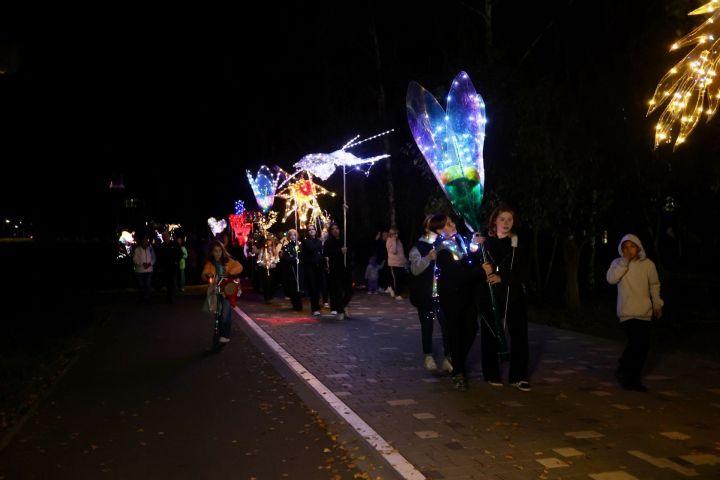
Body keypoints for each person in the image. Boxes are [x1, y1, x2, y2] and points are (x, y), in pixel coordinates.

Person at [478, 204, 531, 391]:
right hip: (491, 295)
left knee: (519, 335)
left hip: (513, 294)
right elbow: (473, 264)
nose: (506, 223)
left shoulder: (518, 242)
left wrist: (503, 277)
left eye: (510, 219)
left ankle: (519, 376)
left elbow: (523, 270)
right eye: (502, 219)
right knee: (490, 334)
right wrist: (483, 269)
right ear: (495, 221)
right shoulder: (484, 242)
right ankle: (491, 373)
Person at [429, 213, 484, 391]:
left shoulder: (459, 240)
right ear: (438, 230)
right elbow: (458, 274)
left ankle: (455, 358)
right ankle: (458, 373)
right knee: (455, 332)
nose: (451, 226)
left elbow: (469, 262)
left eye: (451, 222)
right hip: (450, 296)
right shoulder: (442, 248)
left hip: (467, 294)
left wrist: (475, 247)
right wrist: (482, 271)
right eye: (446, 225)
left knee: (471, 328)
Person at [606, 233, 663, 392]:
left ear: (638, 247)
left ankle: (630, 373)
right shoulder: (617, 263)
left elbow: (654, 285)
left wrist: (657, 304)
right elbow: (611, 279)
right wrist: (624, 262)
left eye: (632, 246)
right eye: (625, 247)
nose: (629, 250)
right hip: (627, 311)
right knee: (635, 343)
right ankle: (627, 375)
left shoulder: (648, 265)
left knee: (643, 347)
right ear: (621, 249)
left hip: (644, 312)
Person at [409, 215, 451, 372]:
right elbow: (414, 269)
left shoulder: (443, 244)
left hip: (443, 294)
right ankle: (428, 356)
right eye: (437, 228)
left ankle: (449, 357)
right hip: (425, 295)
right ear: (428, 229)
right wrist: (428, 258)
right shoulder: (418, 247)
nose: (440, 231)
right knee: (427, 326)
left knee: (446, 325)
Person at [202, 241, 243, 344]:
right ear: (212, 252)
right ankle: (221, 333)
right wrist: (208, 276)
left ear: (223, 251)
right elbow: (204, 273)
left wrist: (229, 273)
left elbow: (239, 267)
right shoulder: (210, 263)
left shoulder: (228, 260)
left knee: (225, 314)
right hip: (215, 290)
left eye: (220, 250)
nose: (218, 253)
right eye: (215, 251)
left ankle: (225, 335)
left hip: (227, 290)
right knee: (218, 314)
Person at [324, 222, 353, 320]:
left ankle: (344, 305)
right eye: (333, 229)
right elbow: (328, 254)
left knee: (350, 289)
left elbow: (351, 253)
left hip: (346, 268)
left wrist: (347, 253)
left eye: (337, 228)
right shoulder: (328, 242)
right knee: (337, 291)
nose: (335, 230)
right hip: (336, 269)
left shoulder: (344, 240)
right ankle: (340, 311)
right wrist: (340, 252)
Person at [301, 224, 324, 315]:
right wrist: (319, 245)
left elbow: (320, 251)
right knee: (312, 287)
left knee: (318, 287)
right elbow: (313, 248)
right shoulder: (306, 241)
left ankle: (317, 305)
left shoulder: (318, 240)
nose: (311, 231)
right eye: (309, 230)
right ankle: (314, 307)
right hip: (309, 267)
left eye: (313, 229)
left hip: (318, 266)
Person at [279, 229, 303, 311]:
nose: (293, 236)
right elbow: (285, 258)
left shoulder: (299, 245)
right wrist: (292, 259)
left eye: (294, 235)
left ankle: (299, 304)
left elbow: (302, 254)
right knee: (293, 287)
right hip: (291, 269)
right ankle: (295, 304)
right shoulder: (286, 246)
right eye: (291, 235)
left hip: (299, 268)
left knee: (299, 286)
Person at [386, 228, 407, 299]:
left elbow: (401, 252)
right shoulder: (389, 241)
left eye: (397, 233)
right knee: (396, 279)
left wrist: (404, 260)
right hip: (394, 263)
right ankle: (396, 293)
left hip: (401, 263)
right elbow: (394, 251)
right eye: (395, 234)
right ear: (392, 234)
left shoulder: (399, 241)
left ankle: (396, 291)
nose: (397, 235)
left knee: (401, 279)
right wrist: (394, 240)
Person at [132, 235, 155, 302]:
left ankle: (147, 298)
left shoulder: (150, 249)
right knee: (141, 285)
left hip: (149, 270)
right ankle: (141, 298)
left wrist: (150, 263)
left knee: (147, 284)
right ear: (141, 242)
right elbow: (134, 259)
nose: (145, 243)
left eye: (146, 242)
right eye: (144, 242)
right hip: (140, 270)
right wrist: (142, 263)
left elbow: (154, 258)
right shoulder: (137, 249)